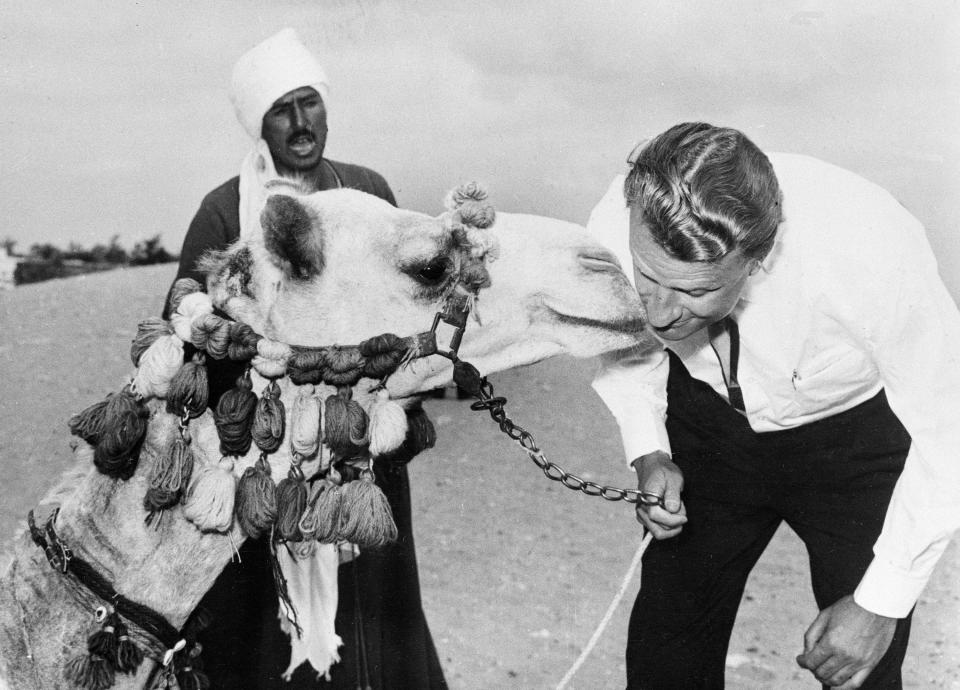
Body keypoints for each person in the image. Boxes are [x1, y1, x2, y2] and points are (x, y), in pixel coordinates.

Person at [589, 122, 960, 689]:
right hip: (709, 429)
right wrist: (648, 449)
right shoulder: (619, 222)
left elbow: (948, 428)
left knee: (862, 668)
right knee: (664, 657)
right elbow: (631, 345)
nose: (661, 315)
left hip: (851, 443)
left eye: (695, 291)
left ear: (760, 257)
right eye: (648, 278)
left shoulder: (870, 247)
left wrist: (883, 604)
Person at [163, 28, 446, 689]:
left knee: (377, 619)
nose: (299, 122)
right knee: (274, 632)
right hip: (272, 467)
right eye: (281, 108)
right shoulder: (224, 213)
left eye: (308, 102)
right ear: (260, 124)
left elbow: (412, 303)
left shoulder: (366, 188)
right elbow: (189, 347)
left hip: (365, 452)